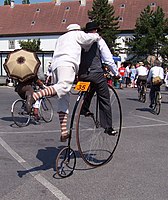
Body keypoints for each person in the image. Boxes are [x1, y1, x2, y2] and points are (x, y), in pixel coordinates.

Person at [27, 23, 100, 142]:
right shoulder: (77, 34)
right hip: (67, 63)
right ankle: (35, 96)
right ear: (77, 29)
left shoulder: (61, 38)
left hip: (56, 66)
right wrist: (97, 36)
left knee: (63, 97)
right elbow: (89, 38)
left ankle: (64, 131)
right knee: (64, 87)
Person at [78, 21, 119, 135]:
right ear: (96, 30)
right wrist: (115, 73)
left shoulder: (80, 41)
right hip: (96, 73)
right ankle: (108, 126)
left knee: (90, 88)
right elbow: (108, 59)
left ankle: (84, 108)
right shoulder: (99, 40)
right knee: (104, 97)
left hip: (82, 75)